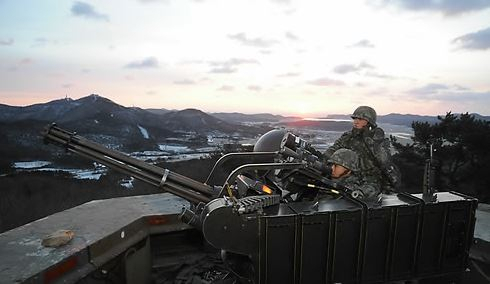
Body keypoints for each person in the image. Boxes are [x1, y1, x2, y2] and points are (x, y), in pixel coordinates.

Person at [325, 106, 401, 191]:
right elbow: (332, 150)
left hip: (368, 180)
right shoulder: (348, 137)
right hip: (347, 176)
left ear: (369, 122)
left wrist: (390, 186)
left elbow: (385, 164)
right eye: (355, 119)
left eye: (360, 119)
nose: (356, 122)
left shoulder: (376, 141)